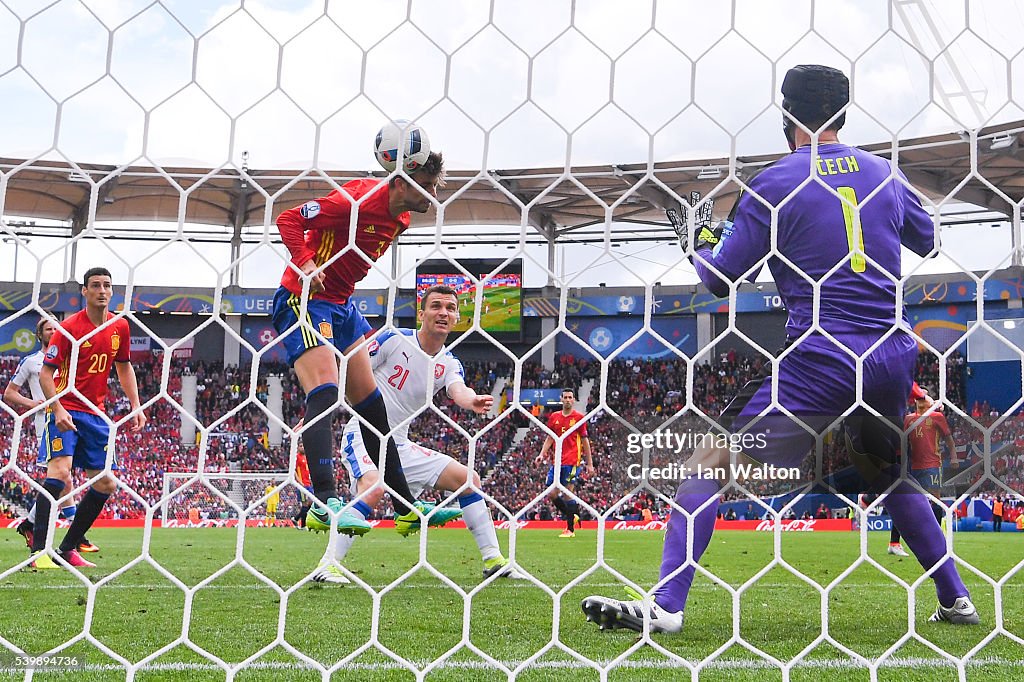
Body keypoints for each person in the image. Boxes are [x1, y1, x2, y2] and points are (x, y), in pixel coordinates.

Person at [582, 65, 978, 632]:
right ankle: (957, 599)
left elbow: (720, 279)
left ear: (785, 115)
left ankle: (667, 608)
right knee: (892, 476)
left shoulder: (774, 182)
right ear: (844, 113)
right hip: (891, 352)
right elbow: (928, 240)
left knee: (709, 463)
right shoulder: (885, 174)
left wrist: (697, 241)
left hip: (820, 354)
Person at [273, 150, 448, 536]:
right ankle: (323, 502)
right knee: (324, 391)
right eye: (428, 187)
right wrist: (305, 263)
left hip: (342, 306)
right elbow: (287, 219)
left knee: (372, 407)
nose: (432, 196)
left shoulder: (401, 218)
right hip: (303, 299)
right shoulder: (351, 203)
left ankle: (406, 506)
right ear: (401, 182)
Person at [312, 285, 522, 584]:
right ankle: (328, 565)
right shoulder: (394, 338)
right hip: (363, 432)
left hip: (399, 444)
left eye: (450, 308)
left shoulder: (449, 362)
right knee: (373, 488)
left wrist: (472, 400)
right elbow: (350, 371)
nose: (444, 313)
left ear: (457, 317)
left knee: (468, 479)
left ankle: (494, 560)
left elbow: (457, 389)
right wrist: (320, 411)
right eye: (436, 306)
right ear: (421, 314)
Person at [31, 267, 146, 569]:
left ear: (112, 291)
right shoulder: (68, 328)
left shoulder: (120, 327)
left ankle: (67, 548)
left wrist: (136, 404)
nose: (102, 290)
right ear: (84, 291)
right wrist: (57, 409)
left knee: (107, 483)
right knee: (60, 472)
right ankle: (38, 553)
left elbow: (123, 366)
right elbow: (46, 374)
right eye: (95, 285)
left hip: (96, 414)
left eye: (107, 285)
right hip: (66, 407)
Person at [5, 319, 99, 554]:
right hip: (46, 421)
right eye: (49, 329)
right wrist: (32, 403)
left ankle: (31, 523)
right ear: (40, 334)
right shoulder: (32, 362)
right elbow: (9, 393)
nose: (54, 332)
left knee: (64, 478)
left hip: (72, 418)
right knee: (62, 477)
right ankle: (76, 535)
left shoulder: (69, 358)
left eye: (57, 328)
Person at [534, 388, 593, 538]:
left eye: (570, 397)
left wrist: (589, 463)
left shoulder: (579, 418)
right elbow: (550, 437)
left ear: (573, 400)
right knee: (552, 493)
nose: (567, 400)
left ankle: (570, 530)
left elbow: (585, 441)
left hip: (572, 461)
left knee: (567, 494)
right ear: (561, 399)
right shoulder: (554, 417)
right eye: (565, 397)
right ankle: (572, 514)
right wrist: (542, 454)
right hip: (557, 461)